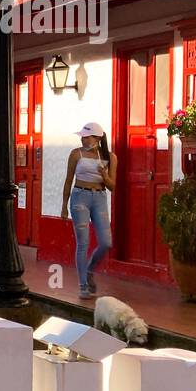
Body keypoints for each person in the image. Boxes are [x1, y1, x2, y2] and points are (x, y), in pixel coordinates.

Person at [60, 122, 116, 300]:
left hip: (99, 198)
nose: (83, 139)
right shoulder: (76, 154)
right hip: (80, 197)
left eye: (87, 136)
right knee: (83, 242)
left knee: (106, 242)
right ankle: (83, 285)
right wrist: (63, 205)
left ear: (98, 138)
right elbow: (69, 179)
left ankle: (90, 269)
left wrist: (104, 175)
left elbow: (112, 186)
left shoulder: (110, 157)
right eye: (82, 137)